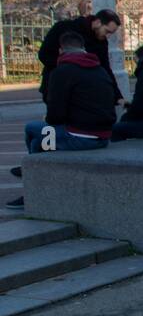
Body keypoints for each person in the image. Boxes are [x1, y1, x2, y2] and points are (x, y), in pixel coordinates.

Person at [7, 32, 117, 208]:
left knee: (32, 129)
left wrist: (52, 119)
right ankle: (33, 174)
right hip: (103, 135)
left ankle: (32, 184)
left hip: (79, 136)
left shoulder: (62, 72)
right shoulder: (99, 69)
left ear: (61, 50)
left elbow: (55, 115)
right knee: (39, 142)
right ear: (83, 49)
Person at [36, 8, 123, 105]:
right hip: (57, 87)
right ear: (97, 22)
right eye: (107, 31)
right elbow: (44, 55)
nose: (108, 36)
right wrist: (70, 69)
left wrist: (117, 96)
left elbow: (105, 68)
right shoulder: (63, 28)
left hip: (83, 90)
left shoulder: (101, 42)